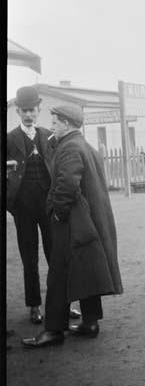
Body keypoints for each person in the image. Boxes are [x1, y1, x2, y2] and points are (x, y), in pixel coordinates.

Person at [22, 104, 123, 348]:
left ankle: (54, 330)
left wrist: (57, 213)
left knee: (58, 275)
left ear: (66, 123)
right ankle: (90, 322)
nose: (52, 126)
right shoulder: (85, 146)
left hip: (73, 223)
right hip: (91, 222)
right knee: (87, 268)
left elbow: (67, 185)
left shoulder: (69, 148)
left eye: (55, 122)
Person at [6, 87, 81, 325]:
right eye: (24, 110)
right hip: (23, 207)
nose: (28, 115)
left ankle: (63, 303)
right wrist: (12, 202)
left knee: (56, 255)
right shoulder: (9, 139)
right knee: (29, 257)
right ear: (18, 111)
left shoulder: (50, 136)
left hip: (48, 206)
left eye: (32, 110)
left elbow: (61, 169)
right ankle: (34, 306)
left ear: (38, 110)